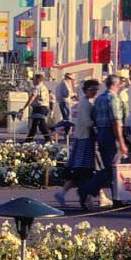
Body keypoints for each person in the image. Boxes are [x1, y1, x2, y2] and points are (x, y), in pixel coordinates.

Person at [79, 74, 127, 208]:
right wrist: (122, 142)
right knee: (112, 168)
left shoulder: (99, 99)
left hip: (101, 133)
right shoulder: (114, 99)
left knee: (110, 168)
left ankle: (117, 199)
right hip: (111, 134)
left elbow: (93, 116)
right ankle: (88, 189)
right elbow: (116, 122)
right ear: (117, 85)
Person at [54, 78, 99, 207]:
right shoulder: (86, 103)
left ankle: (64, 193)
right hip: (85, 138)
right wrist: (98, 123)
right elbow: (86, 122)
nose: (94, 92)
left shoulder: (86, 102)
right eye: (92, 89)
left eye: (96, 90)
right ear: (85, 90)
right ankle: (86, 197)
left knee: (81, 170)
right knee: (84, 170)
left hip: (83, 137)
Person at [21, 73, 52, 139]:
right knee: (38, 125)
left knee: (40, 125)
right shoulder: (44, 87)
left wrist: (24, 108)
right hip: (44, 107)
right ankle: (29, 140)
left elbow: (32, 97)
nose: (33, 81)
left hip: (39, 108)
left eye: (34, 79)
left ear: (38, 80)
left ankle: (48, 140)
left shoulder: (37, 88)